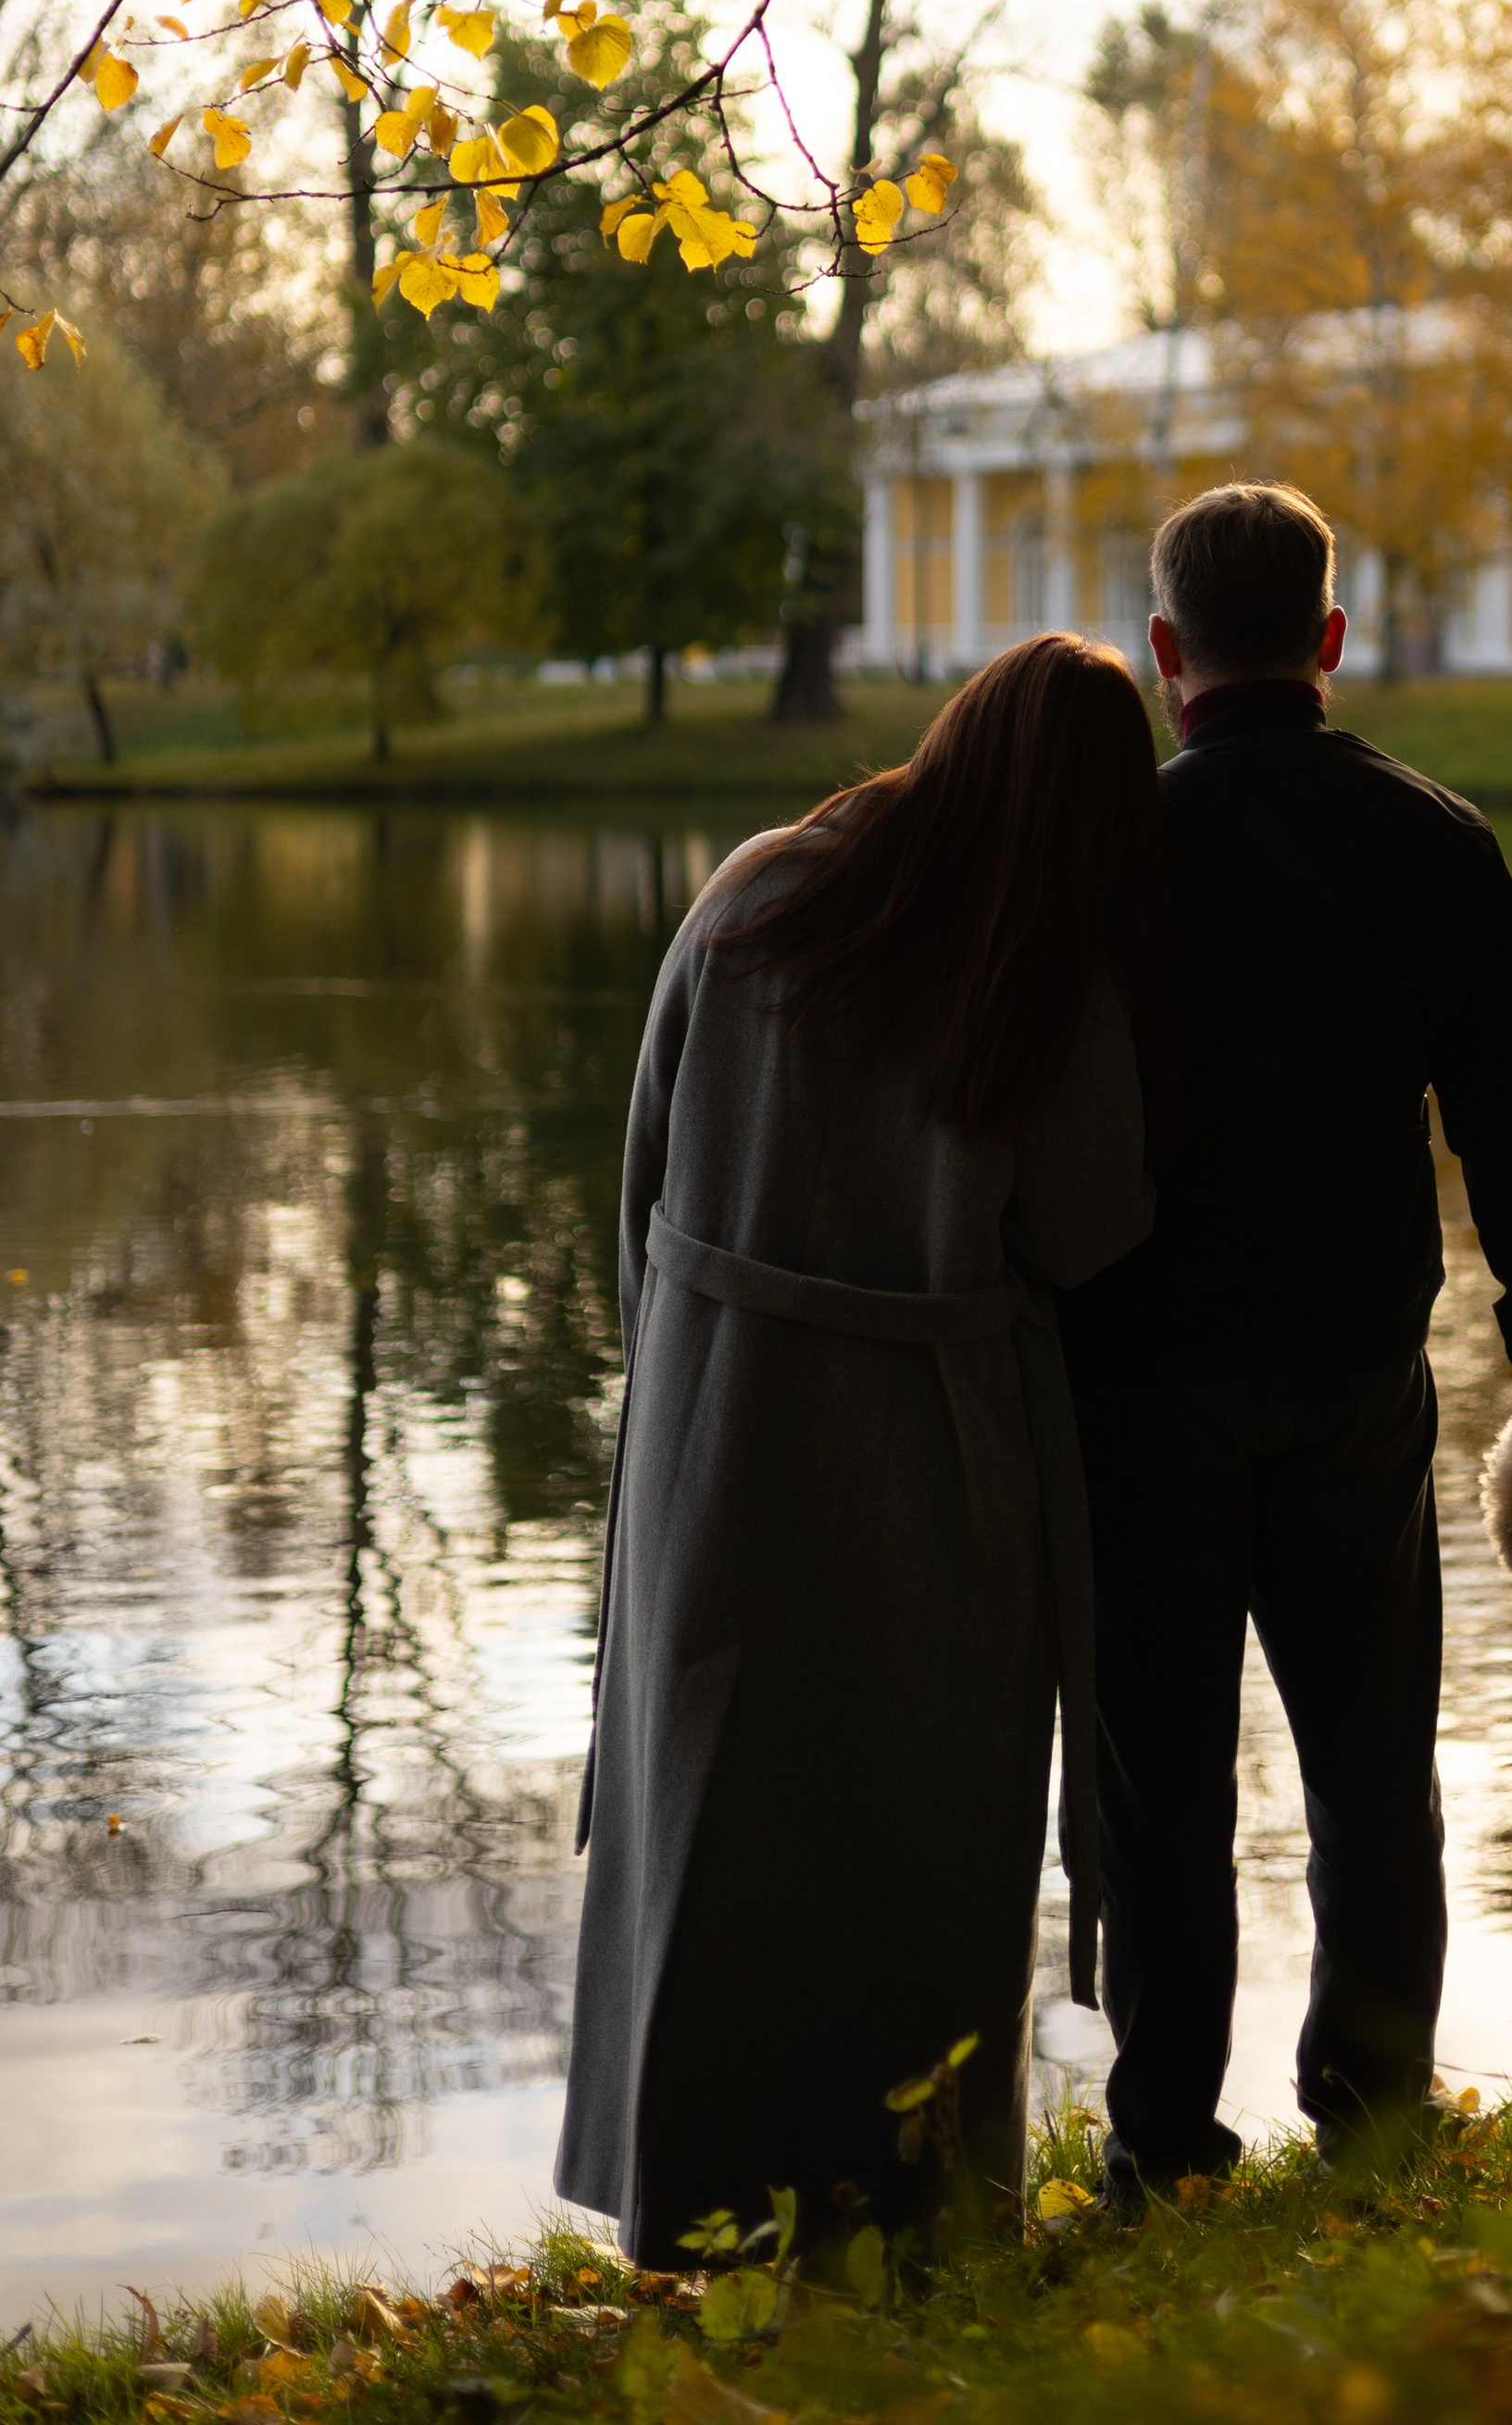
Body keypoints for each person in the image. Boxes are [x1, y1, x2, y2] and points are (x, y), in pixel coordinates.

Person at [556, 634, 1165, 2266]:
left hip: (720, 1417)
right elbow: (1099, 1227)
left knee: (713, 1811)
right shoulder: (1036, 960)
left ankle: (690, 2209)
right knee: (920, 1838)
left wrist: (680, 1374)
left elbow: (642, 1176)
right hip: (931, 1449)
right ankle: (907, 2213)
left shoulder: (757, 888)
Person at [1061, 481, 1512, 2194]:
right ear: (1331, 639)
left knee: (1162, 1782)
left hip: (1142, 1384)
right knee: (1373, 1765)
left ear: (1166, 656)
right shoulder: (1436, 839)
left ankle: (1164, 2138)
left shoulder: (1115, 856)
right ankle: (1372, 2107)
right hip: (1353, 1383)